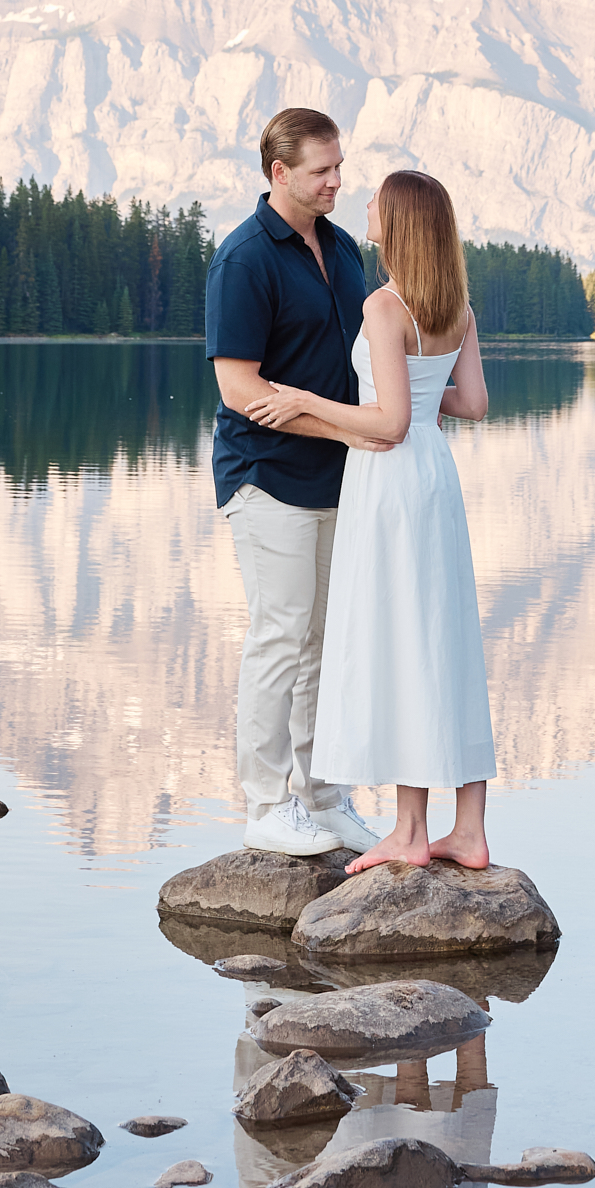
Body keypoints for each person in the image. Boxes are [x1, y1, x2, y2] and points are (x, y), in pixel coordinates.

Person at [243, 167, 495, 873]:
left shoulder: (387, 307)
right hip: (435, 476)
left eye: (376, 203)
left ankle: (410, 833)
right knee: (443, 637)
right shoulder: (458, 308)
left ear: (402, 224)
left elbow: (385, 425)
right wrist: (412, 394)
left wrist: (306, 402)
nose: (362, 207)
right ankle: (468, 830)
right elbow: (472, 403)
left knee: (399, 640)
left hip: (390, 484)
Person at [205, 106, 380, 857]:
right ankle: (265, 803)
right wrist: (347, 427)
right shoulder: (244, 259)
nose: (337, 181)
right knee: (279, 636)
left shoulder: (342, 251)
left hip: (339, 478)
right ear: (279, 173)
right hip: (265, 476)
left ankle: (322, 797)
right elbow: (241, 389)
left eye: (339, 165)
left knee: (323, 641)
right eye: (321, 170)